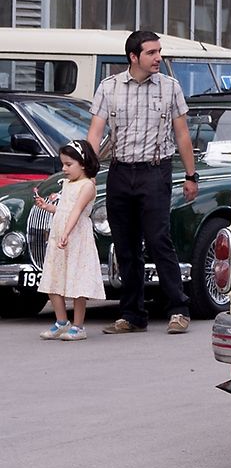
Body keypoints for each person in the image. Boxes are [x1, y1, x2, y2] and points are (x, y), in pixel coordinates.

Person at [87, 30, 200, 335]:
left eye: (159, 51)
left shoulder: (170, 87)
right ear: (133, 57)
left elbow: (182, 134)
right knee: (125, 245)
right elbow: (96, 133)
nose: (158, 58)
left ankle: (178, 309)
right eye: (151, 53)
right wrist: (87, 170)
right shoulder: (109, 87)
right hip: (120, 173)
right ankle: (132, 314)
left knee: (158, 240)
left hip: (155, 171)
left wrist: (191, 176)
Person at [35, 140, 105, 341]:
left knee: (77, 280)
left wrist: (66, 232)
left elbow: (76, 211)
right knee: (53, 278)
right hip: (61, 234)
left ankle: (78, 325)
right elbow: (65, 209)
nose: (64, 169)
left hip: (76, 236)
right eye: (63, 164)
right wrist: (49, 208)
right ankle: (61, 321)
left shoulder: (87, 186)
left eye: (68, 164)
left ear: (82, 163)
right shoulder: (67, 184)